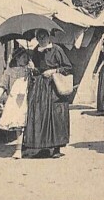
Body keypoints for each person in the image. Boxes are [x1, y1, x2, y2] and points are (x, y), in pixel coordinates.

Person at [26, 29, 73, 158]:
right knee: (42, 115)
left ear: (48, 36)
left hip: (55, 87)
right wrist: (33, 68)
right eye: (39, 37)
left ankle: (57, 148)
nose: (42, 39)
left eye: (44, 36)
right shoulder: (36, 51)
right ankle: (44, 147)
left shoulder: (56, 50)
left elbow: (68, 67)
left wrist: (53, 71)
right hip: (41, 88)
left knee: (56, 115)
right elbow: (37, 71)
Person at [0, 47, 32, 159]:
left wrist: (32, 68)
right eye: (23, 57)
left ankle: (28, 147)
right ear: (17, 58)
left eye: (26, 57)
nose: (26, 59)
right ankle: (18, 150)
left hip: (27, 99)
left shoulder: (28, 70)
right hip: (15, 101)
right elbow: (3, 85)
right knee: (18, 125)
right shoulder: (9, 71)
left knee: (27, 124)